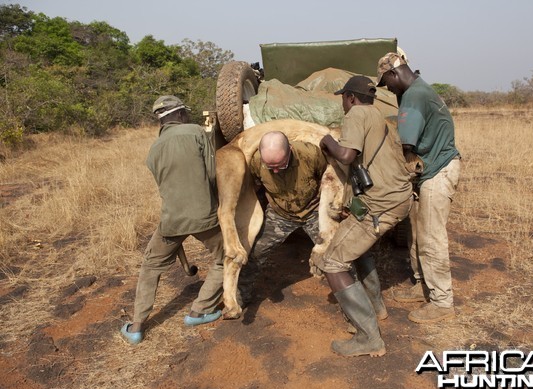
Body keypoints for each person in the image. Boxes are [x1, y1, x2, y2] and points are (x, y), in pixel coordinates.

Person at [319, 76, 413, 357]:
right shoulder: (378, 116)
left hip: (380, 204)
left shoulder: (357, 114)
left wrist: (327, 141)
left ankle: (368, 336)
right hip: (397, 198)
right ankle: (375, 306)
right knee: (358, 251)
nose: (343, 103)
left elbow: (347, 155)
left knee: (333, 263)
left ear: (350, 97)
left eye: (343, 98)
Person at [120, 95, 225, 345]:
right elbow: (212, 174)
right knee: (227, 258)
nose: (187, 116)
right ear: (178, 114)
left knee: (150, 267)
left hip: (171, 221)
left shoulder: (153, 149)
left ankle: (136, 327)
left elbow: (164, 185)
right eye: (185, 113)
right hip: (205, 218)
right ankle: (199, 310)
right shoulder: (197, 132)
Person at [376, 52, 461, 323]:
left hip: (437, 171)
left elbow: (406, 146)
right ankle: (422, 284)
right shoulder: (418, 90)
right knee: (416, 232)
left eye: (386, 83)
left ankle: (442, 302)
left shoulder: (413, 96)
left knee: (432, 237)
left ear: (394, 74)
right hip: (428, 170)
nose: (386, 89)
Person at [236, 131, 329, 304]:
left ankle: (353, 305)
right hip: (280, 214)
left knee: (335, 257)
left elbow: (327, 179)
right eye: (271, 167)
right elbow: (255, 189)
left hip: (314, 211)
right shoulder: (256, 162)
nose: (276, 170)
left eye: (281, 164)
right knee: (254, 254)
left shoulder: (310, 154)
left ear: (291, 150)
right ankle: (240, 297)